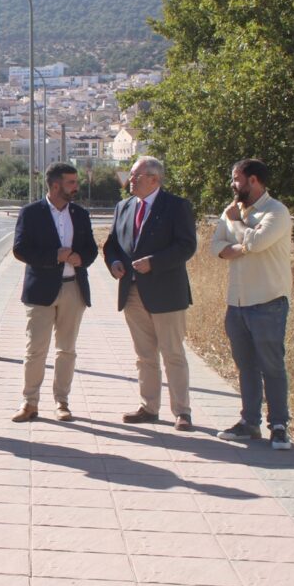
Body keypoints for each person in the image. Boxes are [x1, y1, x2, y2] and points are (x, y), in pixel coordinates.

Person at [103, 156, 197, 431]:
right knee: (144, 355)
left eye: (136, 176)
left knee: (173, 354)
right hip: (132, 292)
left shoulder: (176, 206)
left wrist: (154, 262)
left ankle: (182, 412)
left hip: (166, 293)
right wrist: (113, 262)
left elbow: (186, 246)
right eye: (131, 175)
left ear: (154, 179)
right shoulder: (123, 207)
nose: (130, 180)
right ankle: (149, 407)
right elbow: (111, 244)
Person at [212, 159, 293, 449]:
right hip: (236, 302)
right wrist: (241, 246)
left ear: (253, 180)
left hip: (268, 301)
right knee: (245, 366)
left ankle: (279, 426)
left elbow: (257, 243)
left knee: (272, 366)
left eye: (236, 178)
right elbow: (216, 247)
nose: (232, 184)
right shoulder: (232, 210)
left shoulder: (276, 211)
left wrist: (237, 225)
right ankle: (249, 423)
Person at [11, 163, 98, 422]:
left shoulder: (80, 214)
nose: (76, 187)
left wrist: (82, 258)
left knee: (66, 350)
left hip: (73, 289)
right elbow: (20, 249)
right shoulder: (31, 213)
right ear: (56, 185)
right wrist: (54, 256)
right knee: (35, 350)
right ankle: (29, 403)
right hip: (40, 291)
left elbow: (91, 249)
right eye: (72, 182)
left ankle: (62, 402)